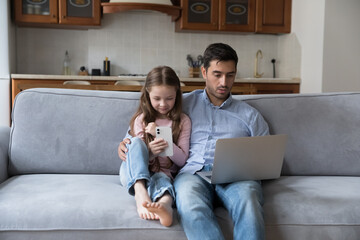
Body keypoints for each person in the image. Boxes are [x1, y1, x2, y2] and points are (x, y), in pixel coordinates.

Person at [119, 43, 269, 239]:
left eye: (230, 75)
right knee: (189, 203)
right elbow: (144, 122)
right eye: (217, 74)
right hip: (193, 174)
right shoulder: (180, 104)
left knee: (249, 200)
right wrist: (126, 142)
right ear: (204, 72)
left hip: (236, 176)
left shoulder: (250, 115)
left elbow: (266, 156)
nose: (224, 82)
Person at [119, 66, 191, 227]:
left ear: (177, 96)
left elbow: (182, 160)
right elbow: (135, 154)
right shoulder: (141, 119)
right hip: (132, 173)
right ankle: (140, 191)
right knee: (136, 143)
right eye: (157, 98)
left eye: (169, 98)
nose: (163, 104)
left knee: (162, 180)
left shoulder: (183, 121)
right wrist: (150, 152)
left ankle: (165, 206)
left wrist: (161, 135)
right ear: (148, 95)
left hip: (163, 173)